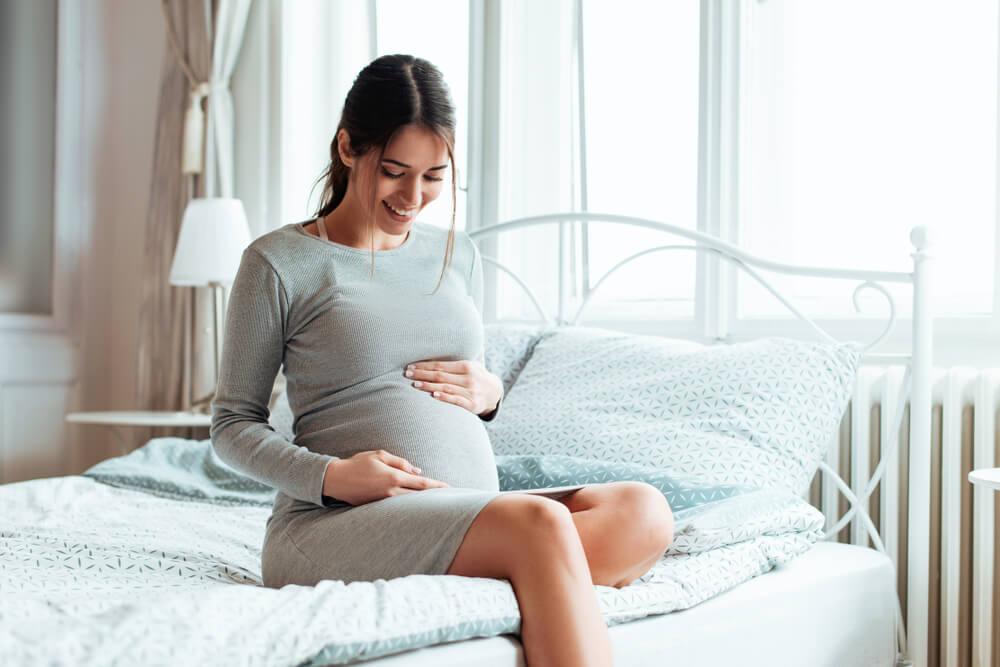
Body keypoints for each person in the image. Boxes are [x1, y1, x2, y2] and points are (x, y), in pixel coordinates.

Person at [210, 54, 674, 667]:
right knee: (539, 524)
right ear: (348, 147)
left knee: (644, 512)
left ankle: (506, 572)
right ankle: (530, 564)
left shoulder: (457, 254)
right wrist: (333, 477)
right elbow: (231, 426)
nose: (414, 197)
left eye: (435, 176)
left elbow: (460, 388)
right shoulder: (281, 262)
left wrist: (490, 395)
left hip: (466, 508)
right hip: (335, 525)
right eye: (395, 171)